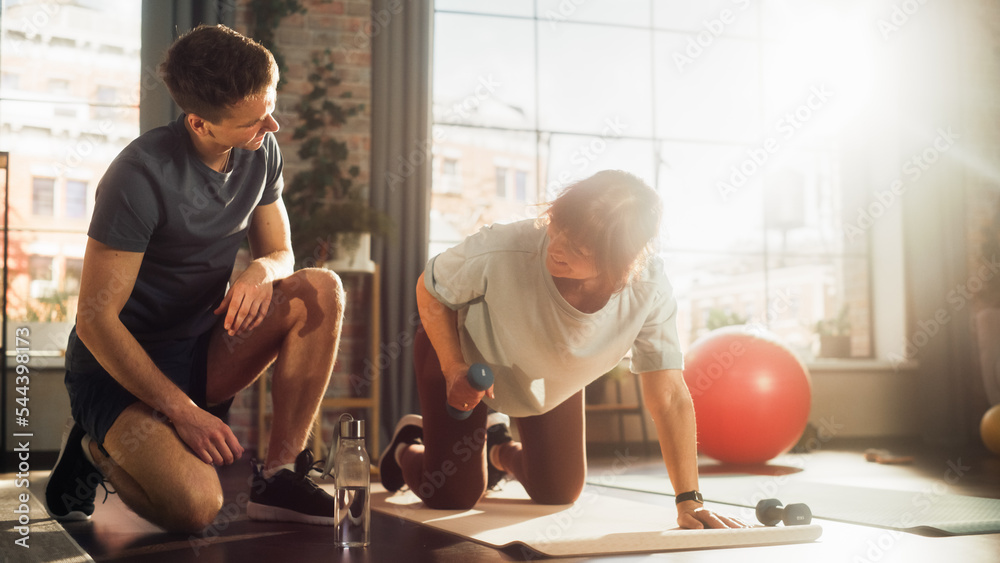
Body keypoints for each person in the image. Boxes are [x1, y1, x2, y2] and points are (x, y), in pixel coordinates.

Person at [44, 25, 344, 533]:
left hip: (200, 348)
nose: (271, 126)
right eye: (253, 120)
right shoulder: (137, 177)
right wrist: (182, 412)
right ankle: (95, 450)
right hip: (118, 368)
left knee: (321, 290)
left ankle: (280, 477)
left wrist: (258, 271)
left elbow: (280, 251)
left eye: (270, 107)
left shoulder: (260, 148)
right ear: (200, 124)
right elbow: (96, 324)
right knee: (197, 507)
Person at [380, 170, 750, 529]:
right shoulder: (504, 246)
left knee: (558, 491)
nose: (555, 248)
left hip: (547, 379)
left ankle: (497, 447)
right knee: (451, 494)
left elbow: (668, 394)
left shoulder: (649, 289)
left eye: (577, 248)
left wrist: (689, 498)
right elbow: (430, 288)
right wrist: (453, 366)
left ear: (623, 258)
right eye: (557, 227)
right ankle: (407, 446)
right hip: (465, 358)